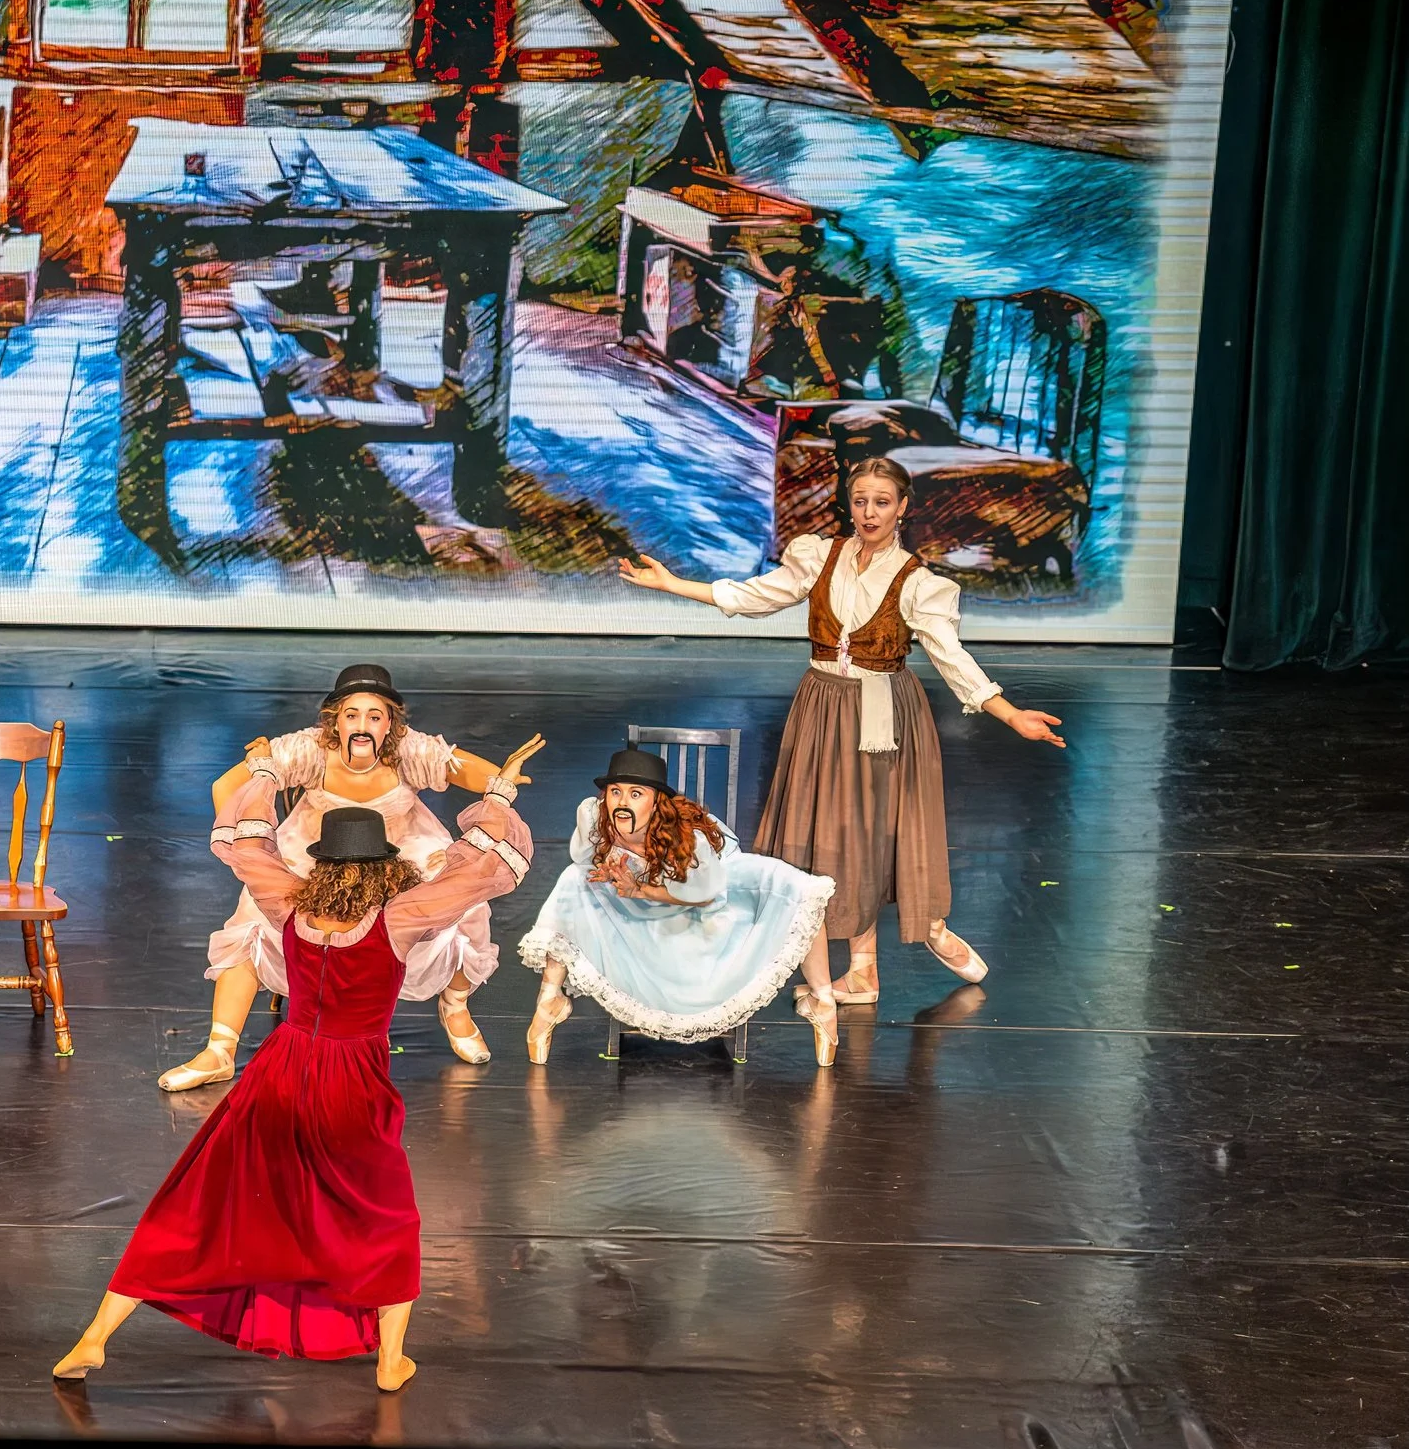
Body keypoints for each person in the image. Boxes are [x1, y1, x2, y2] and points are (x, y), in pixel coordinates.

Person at [54, 733, 545, 1393]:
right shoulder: (397, 917)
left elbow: (244, 842)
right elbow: (479, 868)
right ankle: (390, 1358)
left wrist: (261, 768)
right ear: (381, 865)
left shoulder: (290, 899)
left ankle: (95, 1335)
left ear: (322, 862)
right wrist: (500, 792)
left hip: (279, 1073)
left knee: (199, 1205)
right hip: (351, 1083)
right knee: (386, 1217)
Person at [618, 456, 1065, 999]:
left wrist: (1010, 713)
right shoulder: (820, 556)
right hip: (824, 707)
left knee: (875, 834)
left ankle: (929, 928)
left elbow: (951, 658)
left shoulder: (918, 582)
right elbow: (756, 596)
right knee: (837, 836)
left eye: (882, 501)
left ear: (903, 507)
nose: (869, 512)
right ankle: (863, 970)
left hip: (883, 716)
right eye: (860, 501)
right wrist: (674, 586)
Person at [159, 663, 535, 1089]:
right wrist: (249, 844)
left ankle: (455, 1003)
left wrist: (496, 780)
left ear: (389, 723)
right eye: (352, 714)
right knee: (252, 915)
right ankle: (220, 1049)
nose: (362, 724)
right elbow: (225, 787)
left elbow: (453, 765)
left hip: (400, 848)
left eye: (374, 716)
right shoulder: (309, 749)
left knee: (464, 903)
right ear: (335, 720)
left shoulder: (407, 751)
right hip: (321, 848)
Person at [522, 748, 841, 1066]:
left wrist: (641, 888)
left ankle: (823, 1003)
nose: (622, 801)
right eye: (615, 792)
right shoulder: (599, 819)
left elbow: (706, 895)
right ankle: (549, 999)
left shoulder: (683, 837)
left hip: (706, 922)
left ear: (656, 801)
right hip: (646, 919)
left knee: (796, 893)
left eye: (636, 794)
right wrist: (611, 872)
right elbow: (589, 860)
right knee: (575, 880)